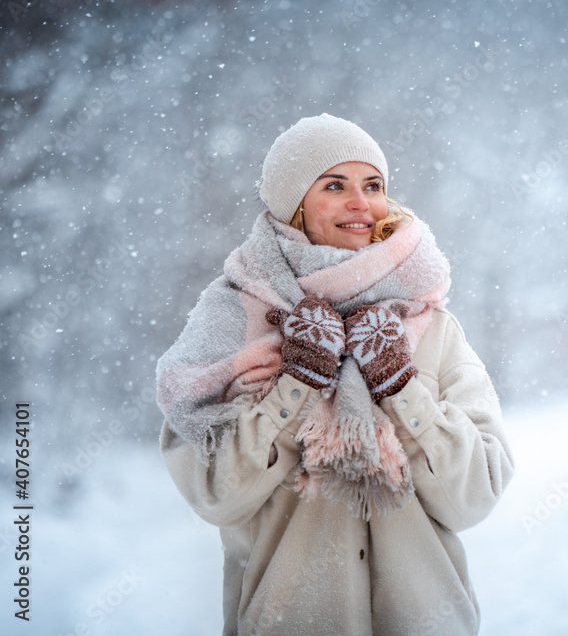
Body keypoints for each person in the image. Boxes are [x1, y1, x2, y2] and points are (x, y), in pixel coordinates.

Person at [156, 114, 514, 635]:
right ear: (293, 204)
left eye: (372, 186)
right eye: (334, 185)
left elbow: (473, 498)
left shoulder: (431, 326)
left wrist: (399, 387)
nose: (360, 203)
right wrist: (296, 383)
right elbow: (217, 496)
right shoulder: (232, 323)